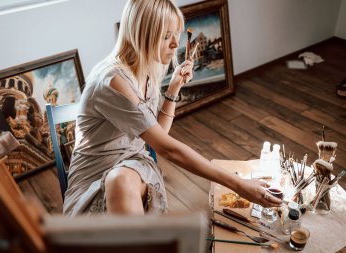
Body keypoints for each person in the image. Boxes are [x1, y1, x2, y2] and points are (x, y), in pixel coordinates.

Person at [63, 0, 282, 216]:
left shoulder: (146, 69)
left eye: (176, 34)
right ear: (142, 36)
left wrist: (174, 87)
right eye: (166, 37)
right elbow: (167, 148)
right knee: (119, 180)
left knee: (121, 179)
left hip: (131, 166)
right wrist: (239, 184)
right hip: (94, 179)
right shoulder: (114, 81)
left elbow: (157, 135)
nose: (176, 44)